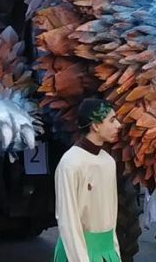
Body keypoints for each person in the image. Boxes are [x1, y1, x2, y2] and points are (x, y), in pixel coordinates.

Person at [53, 98, 122, 262]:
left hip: (106, 253)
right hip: (76, 253)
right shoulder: (71, 163)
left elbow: (111, 219)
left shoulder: (108, 162)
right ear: (96, 126)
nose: (118, 125)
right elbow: (67, 221)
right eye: (112, 120)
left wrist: (115, 254)